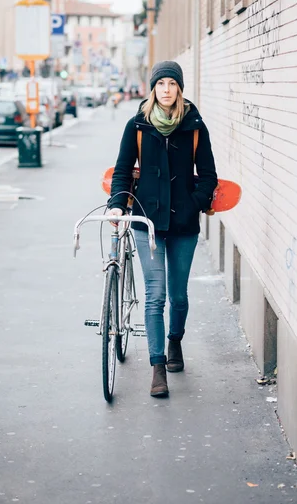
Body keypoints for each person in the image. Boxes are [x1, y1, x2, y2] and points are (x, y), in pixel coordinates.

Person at [107, 61, 217, 398]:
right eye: (161, 84)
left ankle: (174, 343)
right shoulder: (137, 126)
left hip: (184, 224)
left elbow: (209, 176)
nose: (166, 90)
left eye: (172, 83)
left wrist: (192, 201)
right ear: (153, 89)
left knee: (179, 296)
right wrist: (116, 202)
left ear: (179, 89)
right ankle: (157, 367)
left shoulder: (195, 126)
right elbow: (123, 171)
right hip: (147, 221)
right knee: (155, 295)